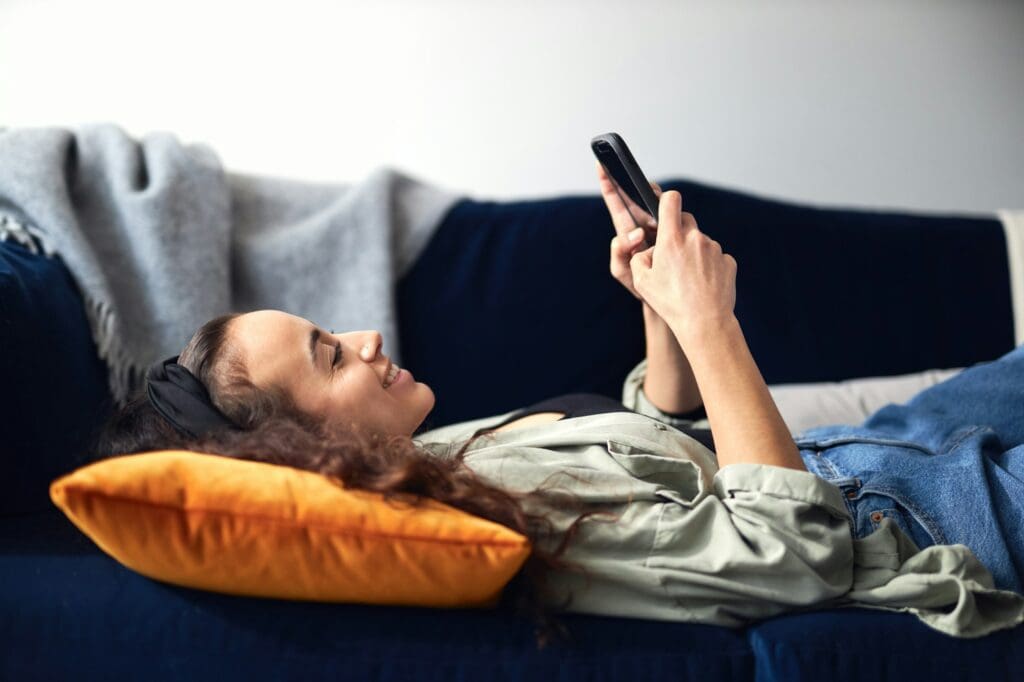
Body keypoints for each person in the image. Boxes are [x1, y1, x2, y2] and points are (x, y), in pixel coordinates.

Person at [92, 163, 1024, 647]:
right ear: (313, 448)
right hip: (933, 513)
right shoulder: (495, 524)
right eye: (330, 354)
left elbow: (662, 460)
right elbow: (790, 555)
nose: (368, 338)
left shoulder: (443, 459)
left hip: (882, 448)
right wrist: (710, 324)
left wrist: (661, 320)